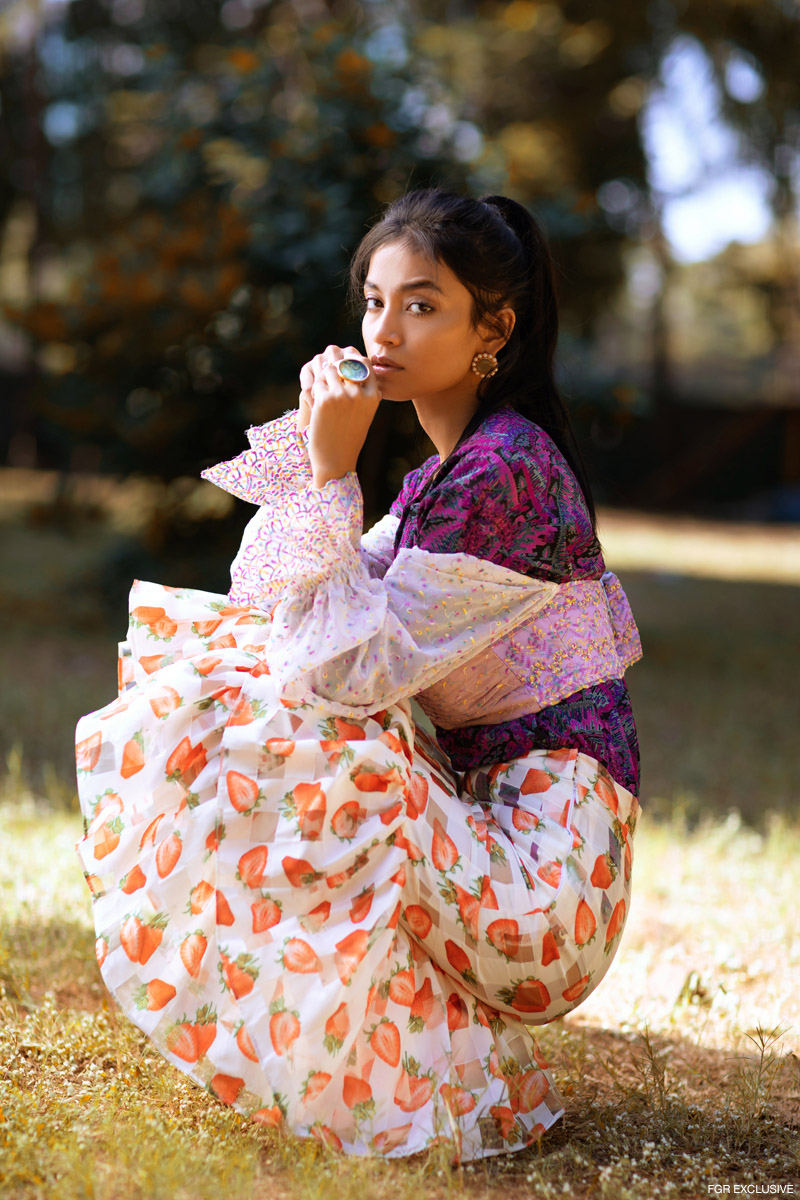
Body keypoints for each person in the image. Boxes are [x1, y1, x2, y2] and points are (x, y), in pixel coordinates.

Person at [75, 189, 642, 1163]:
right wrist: (323, 468)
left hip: (547, 880)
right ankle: (311, 1027)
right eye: (375, 302)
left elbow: (338, 670)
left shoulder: (502, 473)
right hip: (486, 825)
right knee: (232, 672)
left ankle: (387, 1079)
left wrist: (332, 476)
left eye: (420, 304)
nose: (384, 328)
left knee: (323, 736)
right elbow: (270, 617)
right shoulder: (443, 476)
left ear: (490, 330)